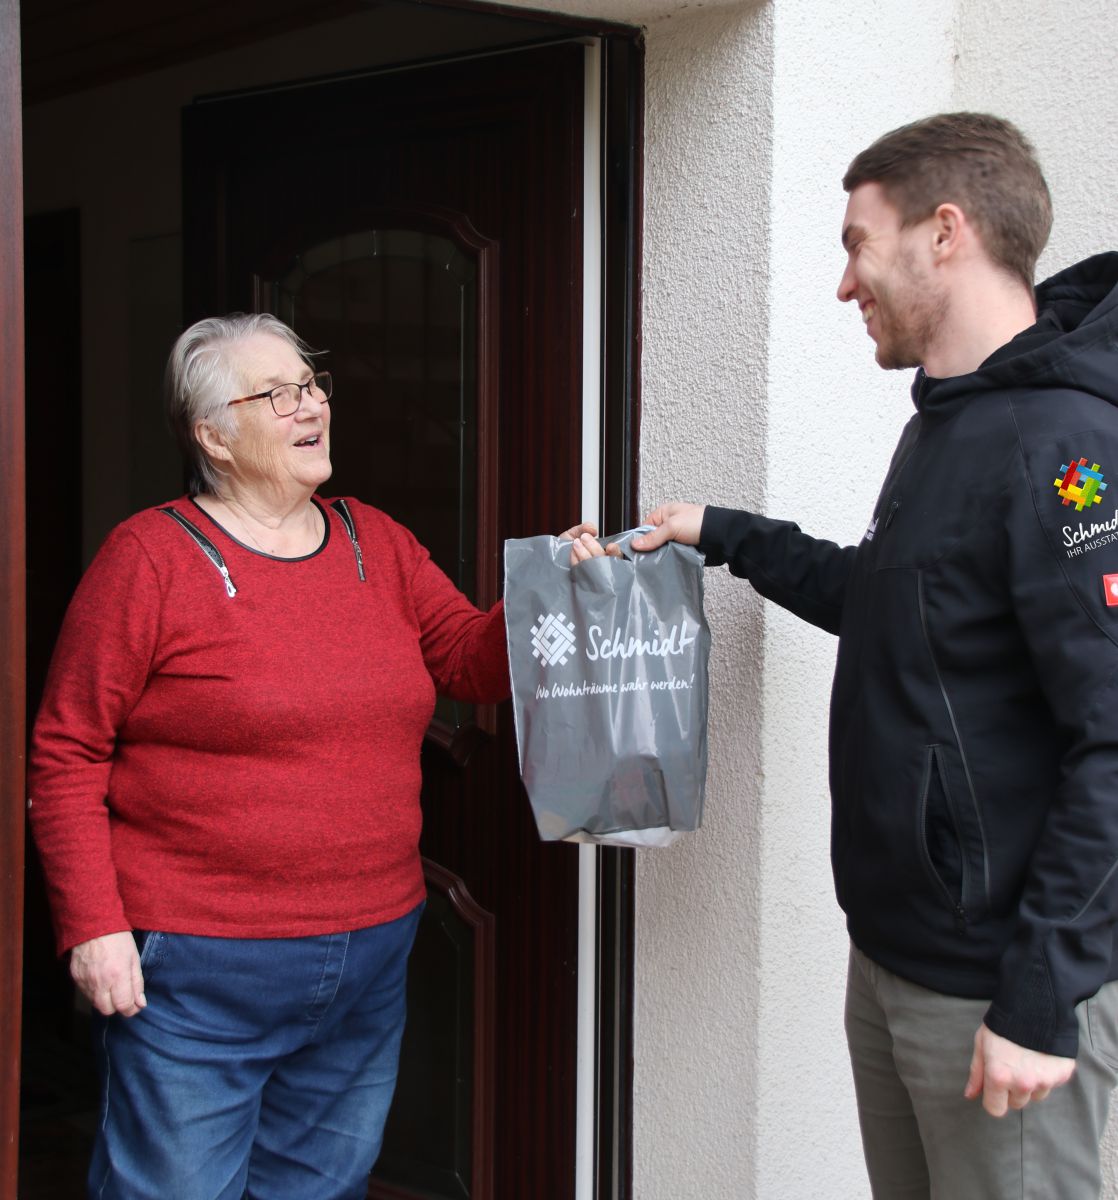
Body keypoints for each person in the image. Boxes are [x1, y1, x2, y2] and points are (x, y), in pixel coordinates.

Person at [580, 113, 1118, 1197]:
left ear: (945, 232)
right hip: (894, 961)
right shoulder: (947, 423)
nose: (841, 284)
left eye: (855, 244)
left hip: (995, 987)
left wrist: (1038, 995)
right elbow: (897, 608)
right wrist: (725, 534)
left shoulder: (1062, 444)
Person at [28, 311, 597, 1200]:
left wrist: (548, 589)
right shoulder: (149, 559)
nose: (312, 405)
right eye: (278, 393)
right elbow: (67, 750)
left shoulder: (375, 540)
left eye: (312, 384)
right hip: (199, 969)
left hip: (369, 956)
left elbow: (470, 662)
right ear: (213, 436)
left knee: (320, 1189)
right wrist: (93, 927)